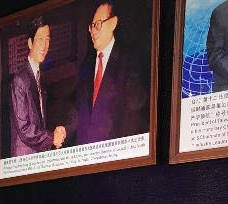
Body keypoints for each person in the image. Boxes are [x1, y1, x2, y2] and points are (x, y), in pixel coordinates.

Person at [73, 2, 149, 146]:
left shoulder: (130, 62)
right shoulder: (86, 66)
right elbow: (79, 113)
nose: (93, 31)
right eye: (91, 26)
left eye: (98, 25)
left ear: (113, 23)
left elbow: (134, 114)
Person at [9, 17, 67, 157]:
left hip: (37, 156)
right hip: (24, 159)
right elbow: (24, 129)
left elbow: (40, 121)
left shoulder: (39, 76)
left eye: (47, 39)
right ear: (30, 43)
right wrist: (52, 138)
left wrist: (57, 132)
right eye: (40, 39)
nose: (45, 45)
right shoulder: (20, 80)